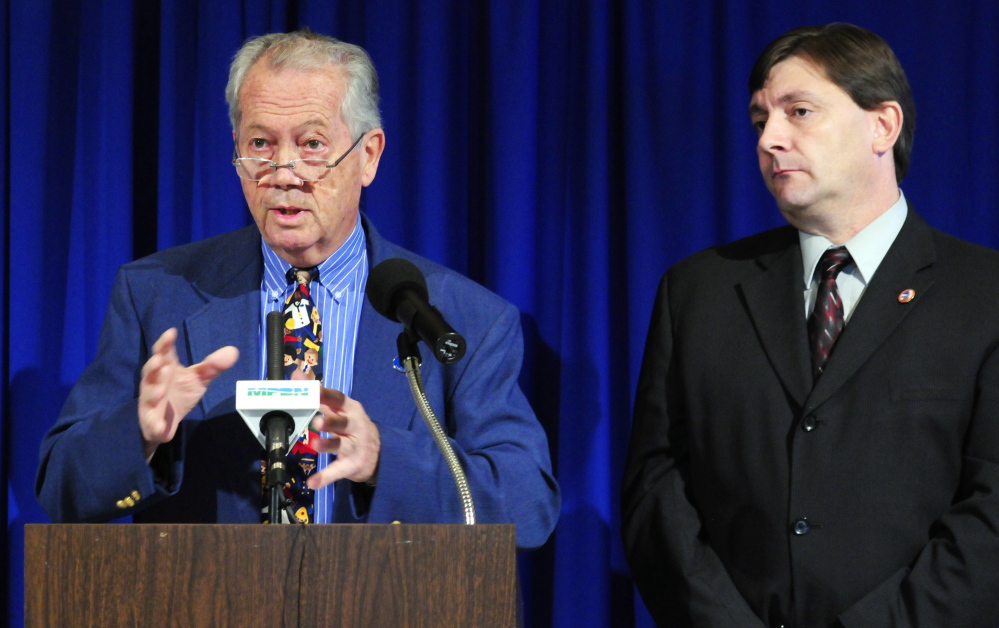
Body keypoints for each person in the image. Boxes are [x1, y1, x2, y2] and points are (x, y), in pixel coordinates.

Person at [36, 30, 559, 550]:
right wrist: (140, 433)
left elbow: (527, 505)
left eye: (311, 145)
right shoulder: (156, 295)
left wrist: (384, 460)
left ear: (369, 156)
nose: (283, 174)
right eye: (260, 145)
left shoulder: (460, 316)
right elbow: (60, 487)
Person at [622, 23, 999, 627]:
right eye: (759, 121)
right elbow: (656, 492)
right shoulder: (697, 292)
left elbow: (992, 517)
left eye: (799, 112)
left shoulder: (985, 295)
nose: (770, 139)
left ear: (883, 125)